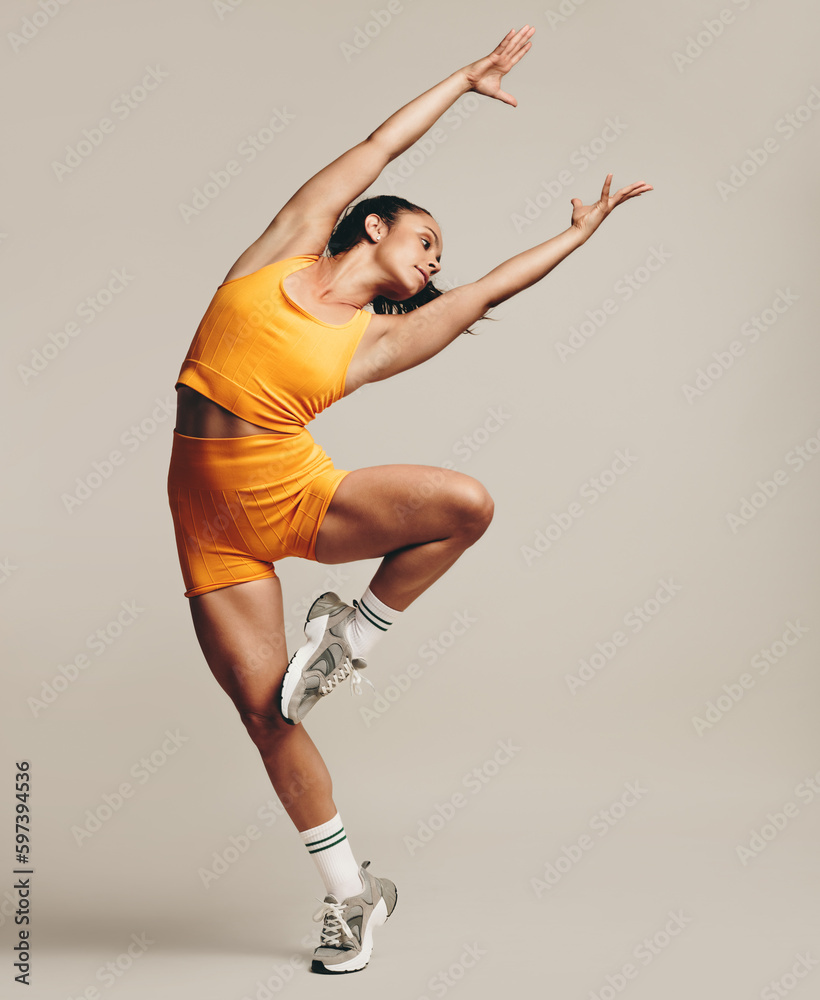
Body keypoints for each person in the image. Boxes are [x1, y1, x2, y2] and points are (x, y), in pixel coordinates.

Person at [166, 23, 652, 975]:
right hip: (207, 528)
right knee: (267, 715)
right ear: (372, 225)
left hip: (291, 495)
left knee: (466, 502)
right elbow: (377, 149)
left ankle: (352, 637)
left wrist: (574, 235)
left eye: (440, 255)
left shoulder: (376, 342)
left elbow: (484, 295)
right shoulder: (282, 248)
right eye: (425, 239)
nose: (434, 261)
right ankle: (355, 896)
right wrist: (465, 81)